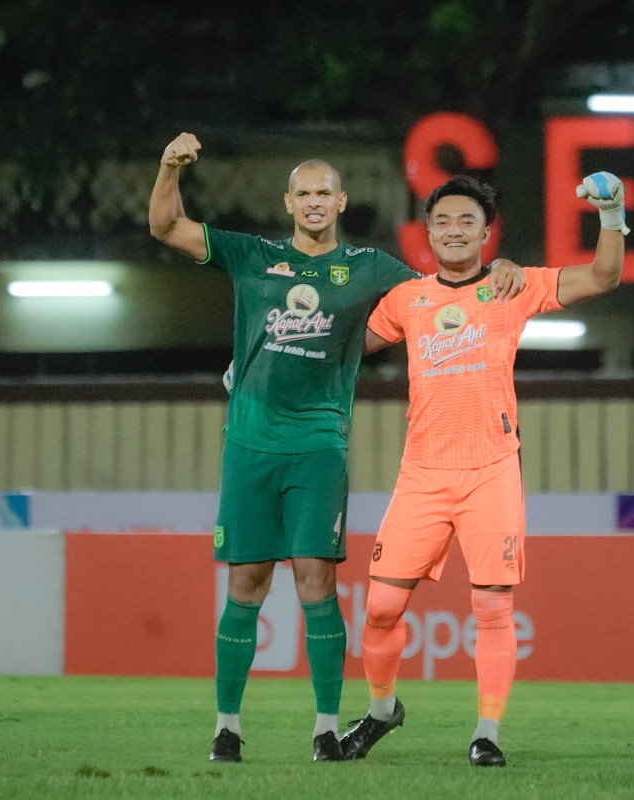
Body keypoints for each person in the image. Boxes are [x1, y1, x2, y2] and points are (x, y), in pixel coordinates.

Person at [147, 133, 526, 764]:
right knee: (246, 583)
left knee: (317, 581)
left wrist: (502, 272)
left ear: (341, 201)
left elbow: (445, 294)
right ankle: (227, 727)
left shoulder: (371, 269)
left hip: (321, 444)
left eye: (326, 191)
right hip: (249, 442)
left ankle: (325, 726)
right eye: (305, 193)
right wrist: (168, 167)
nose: (315, 201)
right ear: (289, 202)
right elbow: (165, 225)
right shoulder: (251, 256)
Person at [339, 172, 628, 766]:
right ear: (428, 233)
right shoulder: (407, 300)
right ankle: (382, 709)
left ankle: (487, 733)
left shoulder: (511, 286)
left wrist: (612, 214)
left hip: (491, 470)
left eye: (466, 221)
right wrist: (257, 363)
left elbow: (604, 275)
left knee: (493, 607)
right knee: (381, 609)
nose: (453, 230)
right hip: (421, 473)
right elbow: (341, 352)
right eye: (442, 221)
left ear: (486, 233)